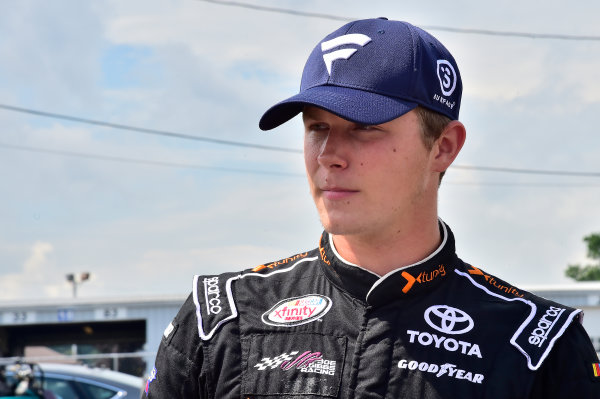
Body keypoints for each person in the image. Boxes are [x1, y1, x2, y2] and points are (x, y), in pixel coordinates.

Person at [145, 18, 600, 398]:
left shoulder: (538, 344)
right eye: (316, 127)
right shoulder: (221, 319)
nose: (328, 155)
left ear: (443, 147)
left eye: (363, 127)